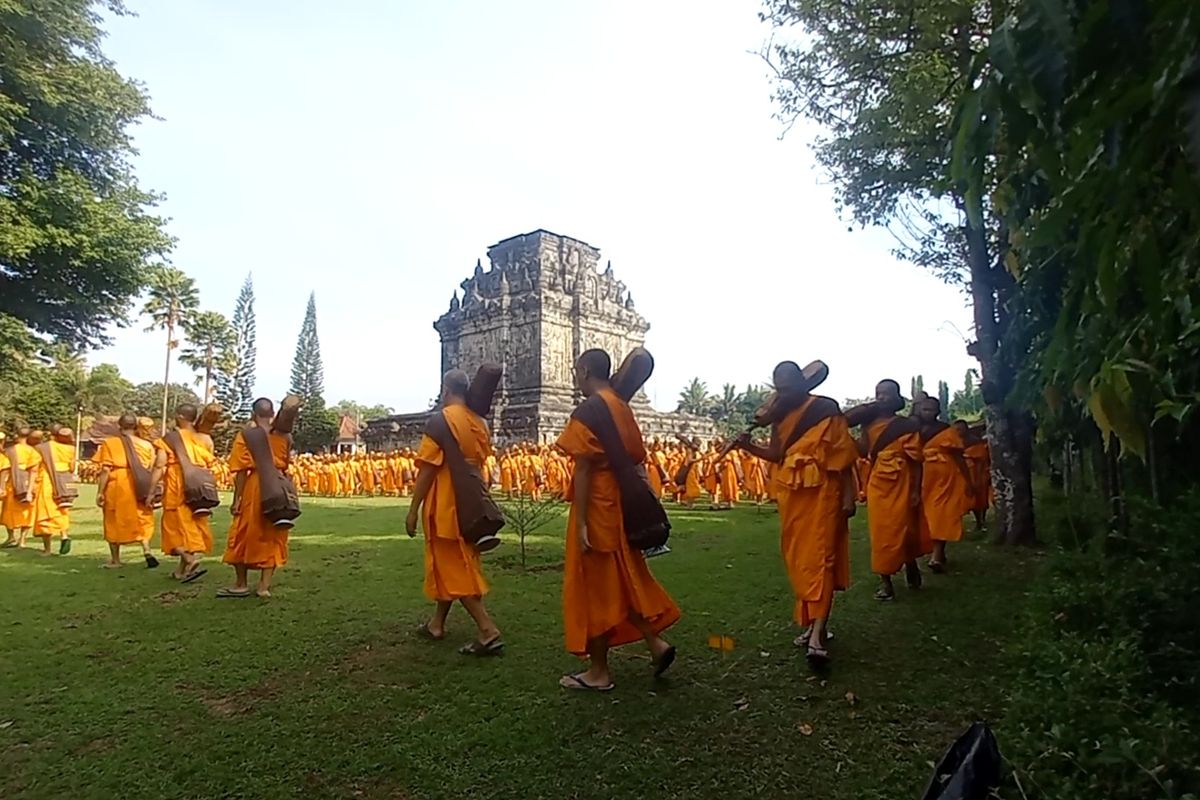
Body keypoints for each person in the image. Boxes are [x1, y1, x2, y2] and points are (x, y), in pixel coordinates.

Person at [556, 349, 679, 691]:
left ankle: (598, 672)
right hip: (620, 504)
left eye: (575, 371)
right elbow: (637, 455)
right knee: (622, 577)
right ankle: (656, 643)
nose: (575, 377)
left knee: (594, 585)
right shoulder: (621, 407)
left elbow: (582, 468)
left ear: (584, 371)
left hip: (597, 507)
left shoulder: (589, 410)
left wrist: (580, 522)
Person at [731, 361, 858, 664]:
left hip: (825, 493)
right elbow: (777, 455)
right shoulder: (780, 417)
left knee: (821, 559)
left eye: (787, 388)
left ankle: (817, 632)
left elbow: (844, 457)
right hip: (793, 498)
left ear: (804, 382)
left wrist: (850, 497)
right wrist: (749, 447)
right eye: (778, 389)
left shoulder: (826, 409)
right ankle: (813, 623)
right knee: (800, 559)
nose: (782, 394)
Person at [405, 369, 504, 655]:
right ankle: (437, 623)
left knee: (456, 566)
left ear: (445, 390)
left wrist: (413, 509)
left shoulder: (440, 421)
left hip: (447, 503)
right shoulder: (479, 422)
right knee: (455, 561)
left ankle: (487, 630)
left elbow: (427, 469)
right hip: (473, 502)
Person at [219, 398, 292, 598]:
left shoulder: (247, 436)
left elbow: (241, 472)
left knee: (243, 532)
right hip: (278, 485)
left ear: (253, 414)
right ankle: (263, 587)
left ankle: (240, 584)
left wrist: (237, 500)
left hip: (255, 486)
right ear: (273, 413)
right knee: (273, 533)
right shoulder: (284, 436)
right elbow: (286, 463)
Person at [861, 380, 924, 600]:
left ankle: (910, 561)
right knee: (880, 533)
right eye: (878, 393)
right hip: (878, 484)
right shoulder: (868, 425)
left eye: (886, 394)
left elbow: (916, 461)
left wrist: (916, 490)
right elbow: (863, 451)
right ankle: (886, 582)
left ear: (896, 397)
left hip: (902, 483)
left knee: (904, 528)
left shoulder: (905, 425)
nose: (881, 398)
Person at [152, 404, 215, 582]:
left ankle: (189, 558)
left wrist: (151, 490)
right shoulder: (205, 439)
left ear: (180, 417)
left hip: (178, 486)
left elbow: (159, 465)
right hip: (200, 487)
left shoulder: (170, 439)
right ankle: (182, 571)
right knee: (191, 523)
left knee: (172, 528)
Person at [916, 399, 974, 572]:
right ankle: (935, 552)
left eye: (932, 410)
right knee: (925, 515)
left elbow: (958, 457)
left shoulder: (946, 430)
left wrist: (968, 481)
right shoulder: (910, 429)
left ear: (938, 411)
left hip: (944, 478)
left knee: (941, 514)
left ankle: (937, 555)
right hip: (921, 477)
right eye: (925, 409)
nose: (928, 413)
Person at [95, 415, 159, 568]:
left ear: (119, 425)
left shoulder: (110, 443)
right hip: (140, 484)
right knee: (141, 517)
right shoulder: (147, 445)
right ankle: (146, 549)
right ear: (135, 426)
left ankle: (116, 560)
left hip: (117, 483)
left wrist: (100, 492)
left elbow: (105, 469)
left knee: (113, 518)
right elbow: (150, 467)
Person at [32, 427, 76, 555]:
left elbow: (36, 467)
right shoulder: (71, 449)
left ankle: (47, 549)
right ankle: (64, 536)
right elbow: (72, 468)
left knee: (45, 513)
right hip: (64, 482)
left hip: (47, 480)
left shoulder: (42, 448)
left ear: (52, 435)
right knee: (62, 509)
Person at [2, 428, 39, 548]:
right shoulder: (33, 452)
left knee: (9, 512)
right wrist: (29, 490)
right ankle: (22, 540)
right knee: (27, 513)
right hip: (28, 484)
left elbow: (5, 470)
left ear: (17, 436)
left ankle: (11, 536)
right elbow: (33, 471)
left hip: (12, 484)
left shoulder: (9, 451)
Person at [956, 420, 991, 532]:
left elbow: (982, 458)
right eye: (956, 429)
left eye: (960, 429)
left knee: (981, 497)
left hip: (978, 472)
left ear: (966, 429)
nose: (958, 431)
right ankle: (977, 521)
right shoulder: (954, 441)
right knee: (970, 499)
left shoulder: (974, 441)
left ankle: (982, 521)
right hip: (963, 473)